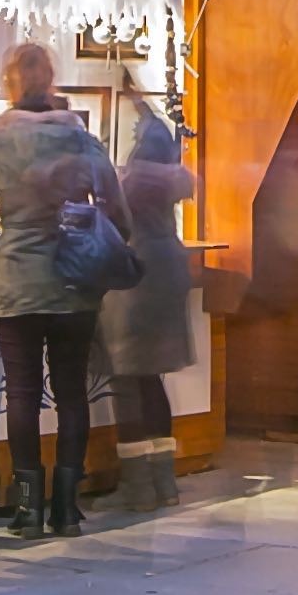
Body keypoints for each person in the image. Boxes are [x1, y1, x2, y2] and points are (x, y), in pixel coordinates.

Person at [0, 41, 130, 537]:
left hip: (17, 282)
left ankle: (28, 508)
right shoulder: (80, 139)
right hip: (75, 280)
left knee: (23, 394)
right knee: (72, 392)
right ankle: (67, 507)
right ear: (51, 80)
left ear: (9, 82)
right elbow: (119, 212)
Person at [100, 107, 196, 512]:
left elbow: (109, 223)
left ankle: (137, 486)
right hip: (168, 271)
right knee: (152, 379)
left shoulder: (132, 183)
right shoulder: (169, 185)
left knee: (125, 379)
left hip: (134, 277)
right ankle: (164, 482)